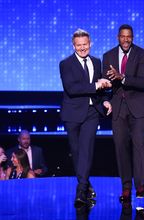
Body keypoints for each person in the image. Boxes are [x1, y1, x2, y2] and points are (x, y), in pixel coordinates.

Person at [59, 28, 112, 206]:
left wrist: (105, 100)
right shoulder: (65, 64)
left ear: (90, 44)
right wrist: (96, 85)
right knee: (77, 153)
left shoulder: (97, 62)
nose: (82, 48)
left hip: (91, 113)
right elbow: (72, 89)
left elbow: (102, 87)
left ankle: (81, 192)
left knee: (86, 151)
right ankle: (86, 184)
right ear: (73, 45)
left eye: (85, 44)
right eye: (79, 45)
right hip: (72, 113)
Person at [102, 24, 144, 202]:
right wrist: (105, 95)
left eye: (129, 36)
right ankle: (126, 188)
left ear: (133, 37)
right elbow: (105, 81)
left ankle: (141, 186)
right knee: (121, 148)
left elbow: (142, 82)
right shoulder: (108, 56)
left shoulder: (143, 54)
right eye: (123, 36)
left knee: (138, 147)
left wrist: (121, 76)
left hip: (137, 107)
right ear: (118, 37)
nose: (126, 39)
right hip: (118, 108)